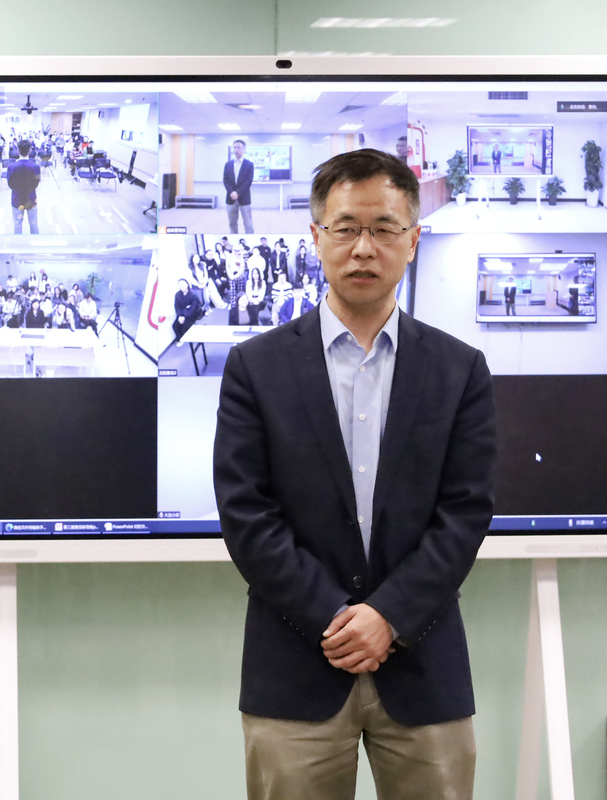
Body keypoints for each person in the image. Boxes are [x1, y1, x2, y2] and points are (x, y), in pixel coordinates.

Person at [213, 148, 496, 800]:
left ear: (413, 240)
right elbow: (247, 514)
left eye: (384, 228)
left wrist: (388, 616)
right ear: (316, 237)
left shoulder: (459, 370)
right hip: (294, 664)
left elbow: (465, 513)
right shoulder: (256, 368)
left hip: (423, 664)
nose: (364, 248)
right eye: (345, 228)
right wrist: (336, 616)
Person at [8, 141, 41, 235]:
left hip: (17, 198)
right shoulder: (36, 167)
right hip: (31, 198)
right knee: (33, 223)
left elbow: (10, 184)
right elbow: (36, 183)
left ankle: (19, 243)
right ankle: (35, 241)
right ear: (30, 151)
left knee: (17, 224)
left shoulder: (11, 167)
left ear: (18, 150)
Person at [223, 139, 254, 234]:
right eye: (235, 147)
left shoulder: (249, 165)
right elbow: (225, 180)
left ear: (244, 149)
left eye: (239, 147)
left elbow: (248, 181)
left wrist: (238, 193)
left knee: (248, 224)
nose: (236, 149)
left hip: (244, 198)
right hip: (230, 198)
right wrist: (232, 192)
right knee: (232, 224)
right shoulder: (228, 165)